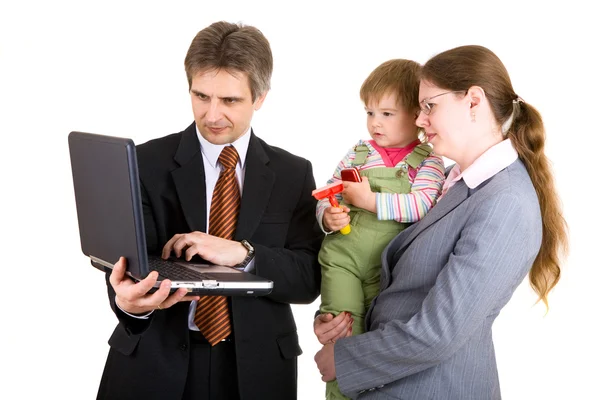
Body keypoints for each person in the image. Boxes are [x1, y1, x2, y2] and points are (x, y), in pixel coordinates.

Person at [313, 45, 568, 399]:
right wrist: (340, 319)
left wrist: (345, 359)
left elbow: (439, 331)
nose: (419, 120)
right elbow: (395, 281)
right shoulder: (444, 182)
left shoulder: (504, 202)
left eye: (430, 105)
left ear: (473, 102)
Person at [96, 21, 323, 400]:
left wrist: (244, 254)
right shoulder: (144, 162)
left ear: (261, 96)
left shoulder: (292, 173)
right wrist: (128, 304)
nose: (212, 114)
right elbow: (126, 262)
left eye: (230, 101)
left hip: (256, 369)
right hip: (154, 363)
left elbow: (308, 278)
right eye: (201, 96)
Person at [316, 59, 445, 399]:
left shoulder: (428, 161)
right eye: (370, 112)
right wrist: (328, 216)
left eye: (387, 114)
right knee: (342, 329)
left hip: (389, 269)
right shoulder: (357, 154)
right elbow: (328, 191)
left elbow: (424, 205)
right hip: (342, 258)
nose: (375, 122)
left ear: (417, 116)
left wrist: (371, 201)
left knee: (378, 343)